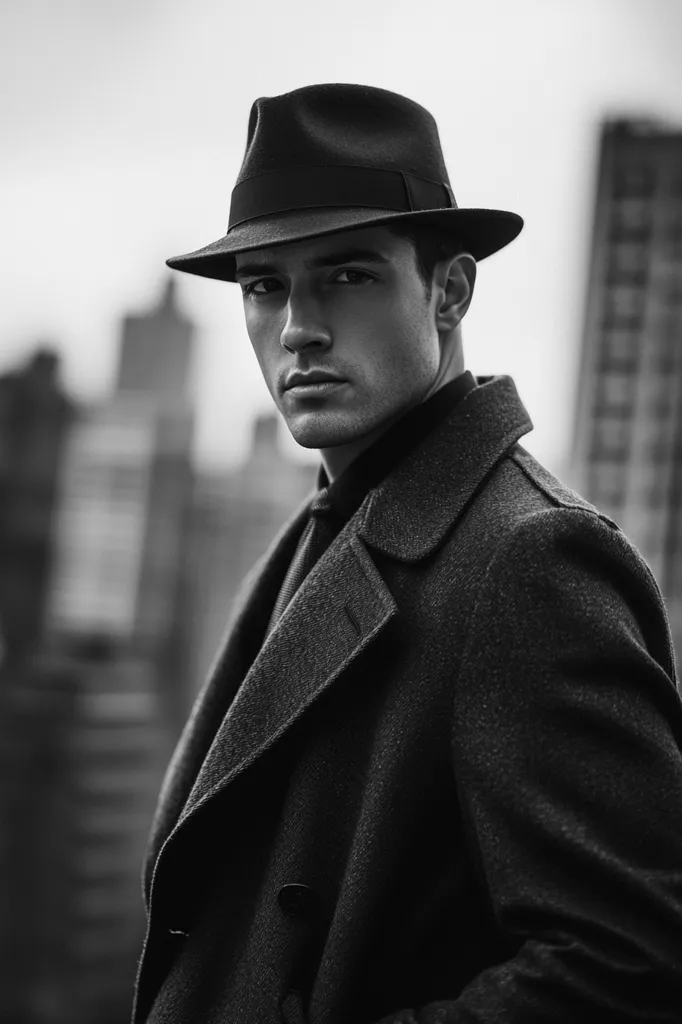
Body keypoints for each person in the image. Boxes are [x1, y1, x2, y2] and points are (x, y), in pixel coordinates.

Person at [132, 84, 682, 1024]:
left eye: (347, 274)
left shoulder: (531, 557)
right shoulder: (329, 522)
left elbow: (630, 962)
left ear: (450, 289)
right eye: (266, 286)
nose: (297, 324)